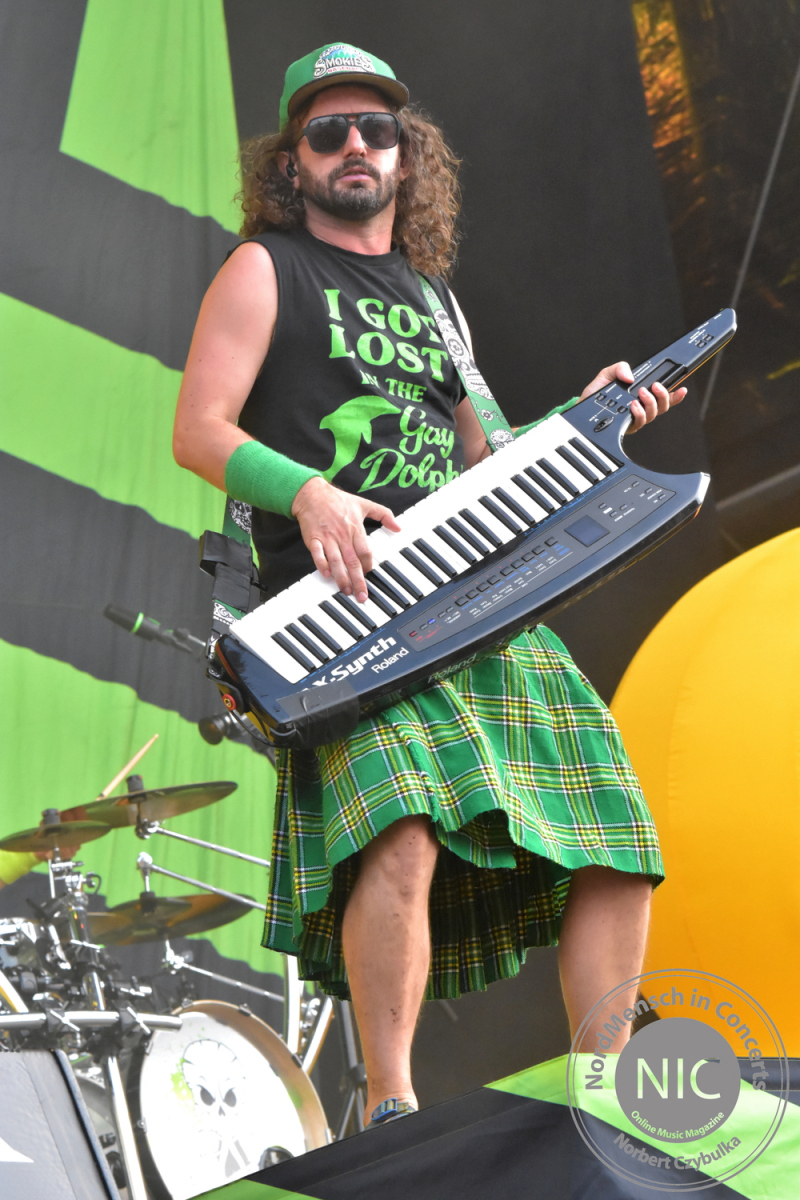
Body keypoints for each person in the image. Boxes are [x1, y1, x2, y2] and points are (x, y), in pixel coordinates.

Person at [173, 43, 686, 1129]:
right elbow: (199, 429)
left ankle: (609, 1098)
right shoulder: (264, 269)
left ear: (408, 157)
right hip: (346, 608)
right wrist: (310, 495)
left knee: (611, 828)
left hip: (467, 591)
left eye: (377, 130)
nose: (355, 146)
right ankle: (393, 1108)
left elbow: (489, 459)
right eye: (328, 132)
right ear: (292, 163)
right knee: (399, 828)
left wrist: (592, 420)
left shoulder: (434, 301)